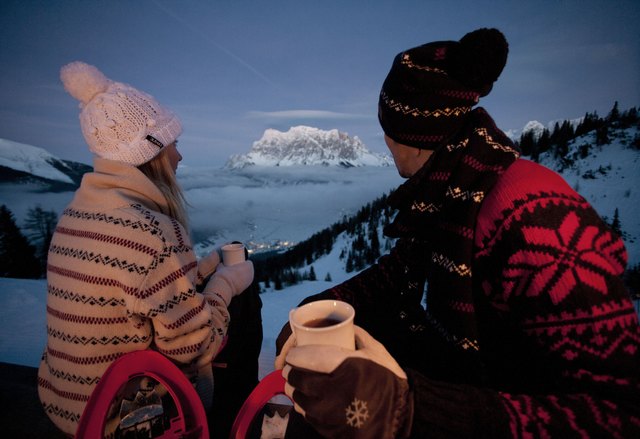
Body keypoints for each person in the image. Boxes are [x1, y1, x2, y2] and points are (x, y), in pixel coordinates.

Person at [275, 28, 640, 438]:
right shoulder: (453, 191)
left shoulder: (537, 217)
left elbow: (619, 413)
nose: (384, 142)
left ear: (411, 137)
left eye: (387, 129)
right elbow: (399, 270)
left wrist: (410, 410)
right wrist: (321, 307)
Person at [37, 61, 257, 437]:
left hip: (66, 404)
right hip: (121, 420)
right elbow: (194, 347)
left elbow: (132, 289)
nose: (180, 157)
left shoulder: (76, 214)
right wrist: (226, 286)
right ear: (151, 149)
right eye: (175, 143)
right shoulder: (150, 230)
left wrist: (199, 272)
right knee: (246, 303)